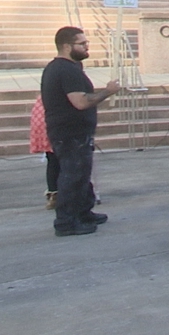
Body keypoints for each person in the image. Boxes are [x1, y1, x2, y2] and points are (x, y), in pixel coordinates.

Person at [41, 27, 118, 237]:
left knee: (81, 174)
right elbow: (81, 102)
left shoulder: (67, 68)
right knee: (73, 176)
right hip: (69, 133)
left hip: (74, 132)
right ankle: (66, 221)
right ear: (67, 46)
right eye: (82, 44)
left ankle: (83, 212)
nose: (86, 47)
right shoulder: (66, 70)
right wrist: (107, 92)